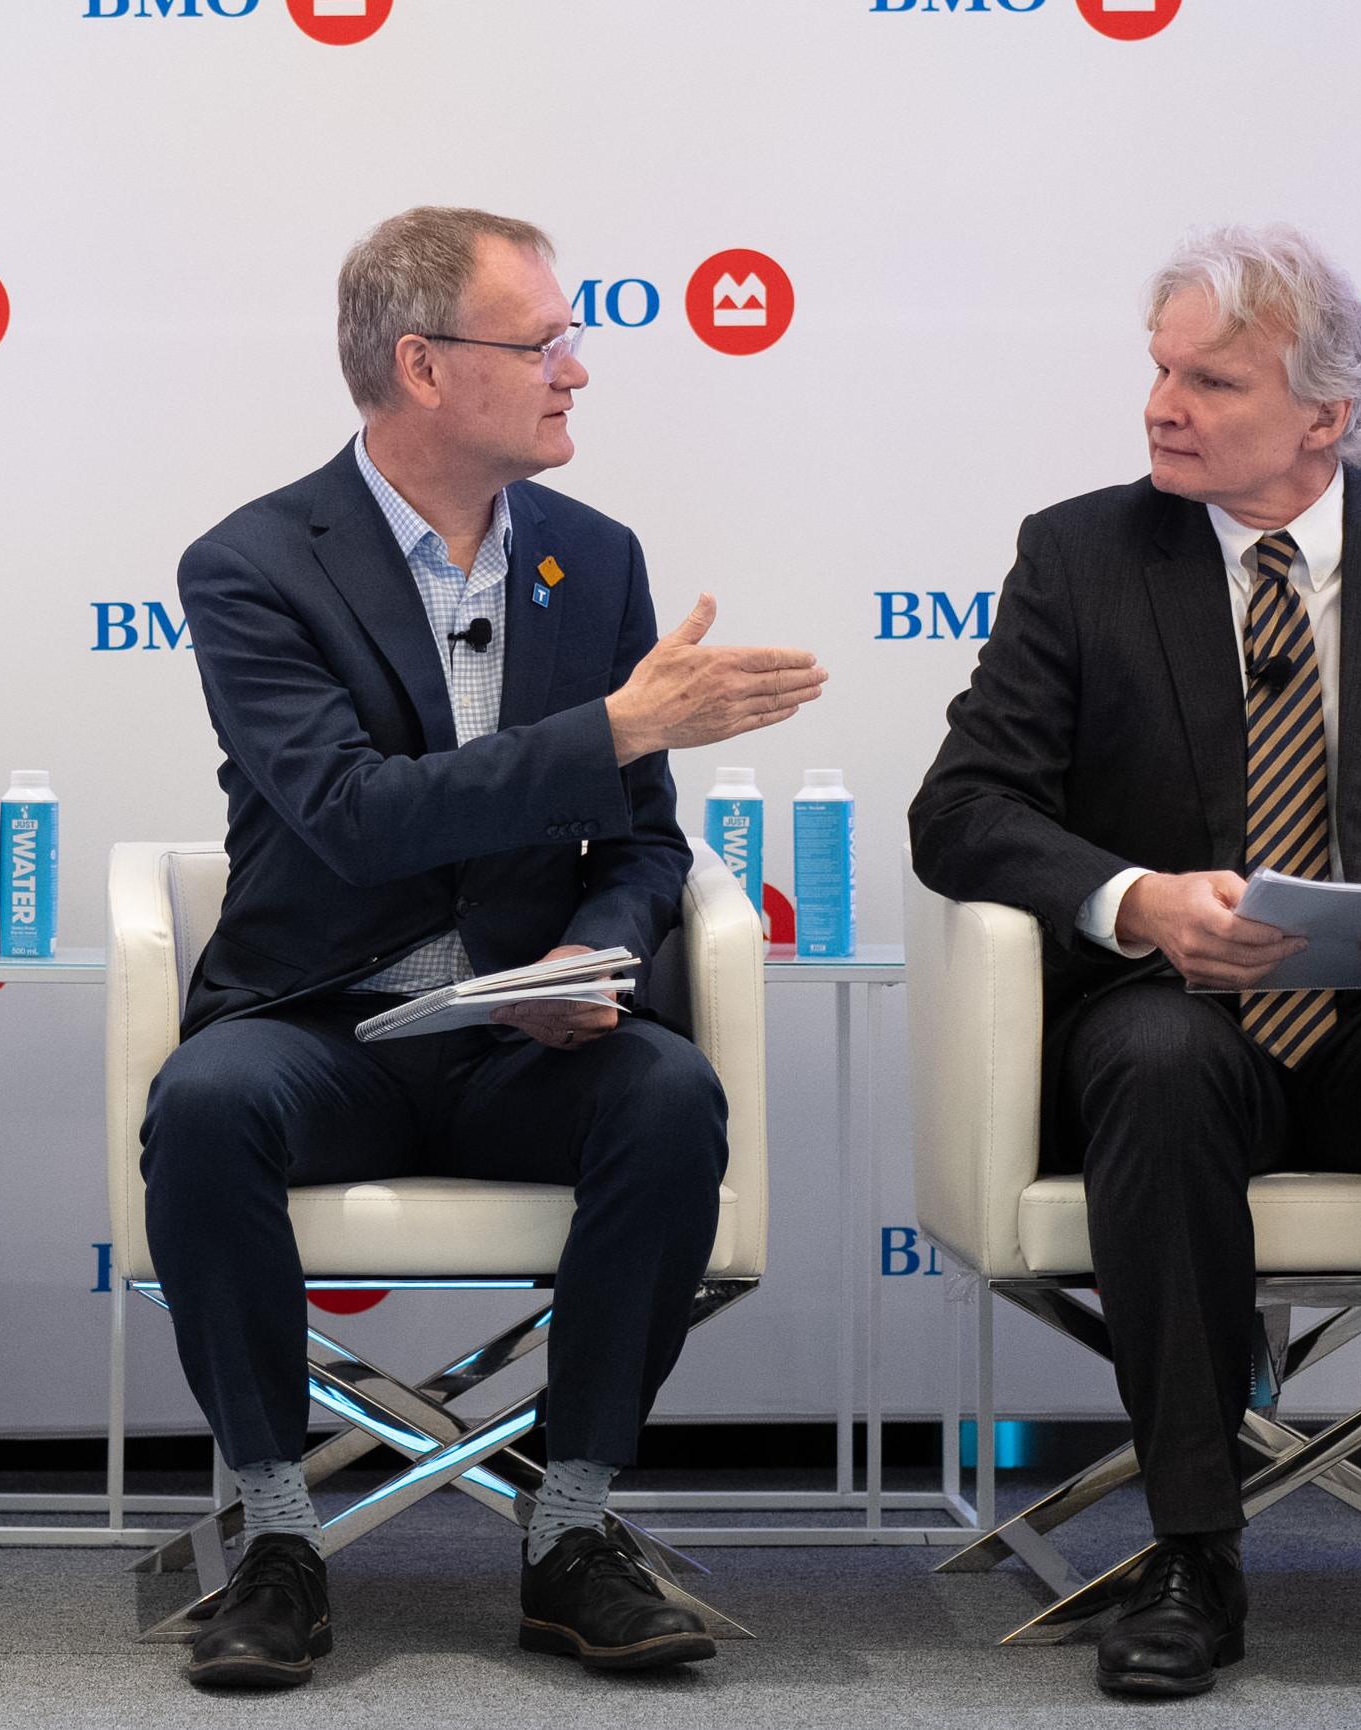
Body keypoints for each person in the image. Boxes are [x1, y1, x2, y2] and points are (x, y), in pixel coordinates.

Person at [141, 207, 827, 1691]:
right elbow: (347, 812)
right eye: (546, 343)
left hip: (529, 1034)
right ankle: (273, 1535)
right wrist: (616, 727)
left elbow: (643, 840)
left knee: (669, 1094)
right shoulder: (252, 564)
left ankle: (572, 1529)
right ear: (425, 368)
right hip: (325, 1022)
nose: (577, 370)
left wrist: (588, 958)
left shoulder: (594, 557)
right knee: (203, 1106)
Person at [911, 225, 1361, 1700]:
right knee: (1153, 1060)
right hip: (1183, 1021)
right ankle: (1194, 1552)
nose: (1163, 405)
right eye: (1159, 370)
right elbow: (961, 811)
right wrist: (1138, 901)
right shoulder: (1079, 555)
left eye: (1210, 379)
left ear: (1326, 416)